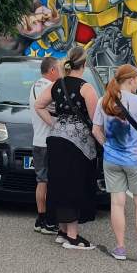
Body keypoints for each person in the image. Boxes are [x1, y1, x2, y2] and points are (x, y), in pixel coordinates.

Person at [34, 45, 99, 250]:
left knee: (59, 184)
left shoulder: (57, 84)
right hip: (78, 144)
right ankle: (72, 236)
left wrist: (55, 123)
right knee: (75, 185)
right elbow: (96, 119)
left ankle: (62, 231)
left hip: (56, 139)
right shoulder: (86, 88)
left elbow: (38, 105)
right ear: (85, 64)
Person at [93, 64, 137, 263]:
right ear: (131, 80)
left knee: (117, 203)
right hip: (136, 158)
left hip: (112, 159)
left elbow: (96, 130)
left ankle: (120, 248)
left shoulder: (103, 101)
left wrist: (107, 146)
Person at [30, 56, 61, 234]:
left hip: (39, 140)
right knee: (48, 182)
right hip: (48, 141)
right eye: (59, 69)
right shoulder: (46, 87)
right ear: (51, 70)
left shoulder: (35, 86)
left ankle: (41, 219)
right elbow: (52, 108)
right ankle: (49, 222)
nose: (61, 72)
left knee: (42, 181)